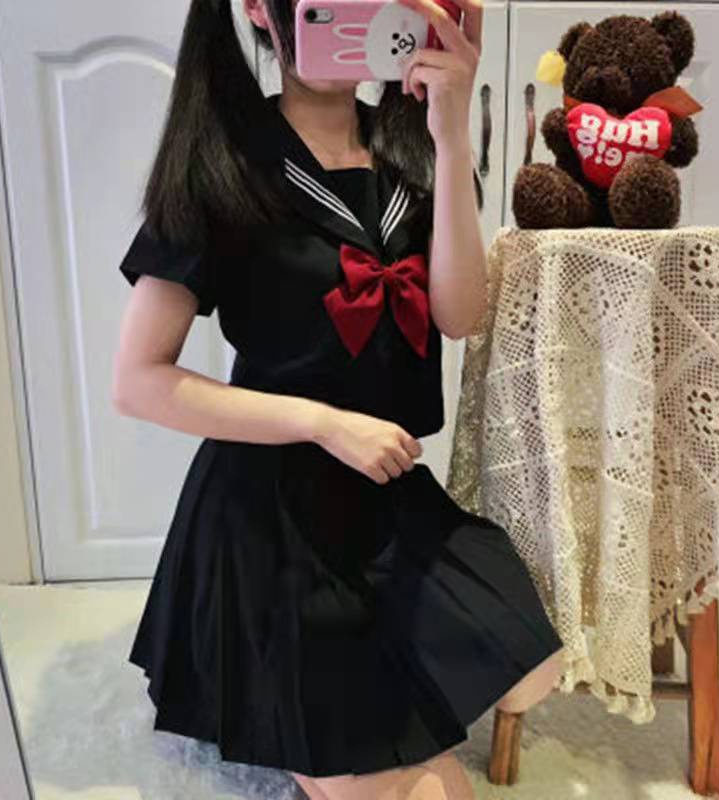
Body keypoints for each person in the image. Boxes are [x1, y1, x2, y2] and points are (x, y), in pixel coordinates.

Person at [111, 0, 565, 797]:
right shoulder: (224, 160)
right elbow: (138, 380)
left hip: (384, 493)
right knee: (419, 790)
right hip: (269, 510)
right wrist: (322, 423)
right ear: (260, 9)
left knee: (536, 672)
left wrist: (452, 136)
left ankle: (346, 719)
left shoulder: (409, 150)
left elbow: (460, 315)